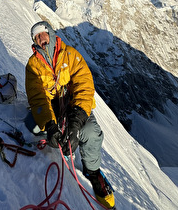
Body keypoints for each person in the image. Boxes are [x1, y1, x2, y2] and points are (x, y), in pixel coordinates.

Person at [25, 21, 115, 209]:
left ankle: (93, 172)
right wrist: (49, 125)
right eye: (37, 36)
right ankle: (57, 136)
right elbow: (37, 96)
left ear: (51, 34)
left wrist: (76, 121)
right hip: (54, 109)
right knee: (34, 126)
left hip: (75, 107)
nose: (41, 38)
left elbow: (85, 85)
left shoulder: (71, 55)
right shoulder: (33, 65)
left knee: (90, 132)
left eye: (43, 33)